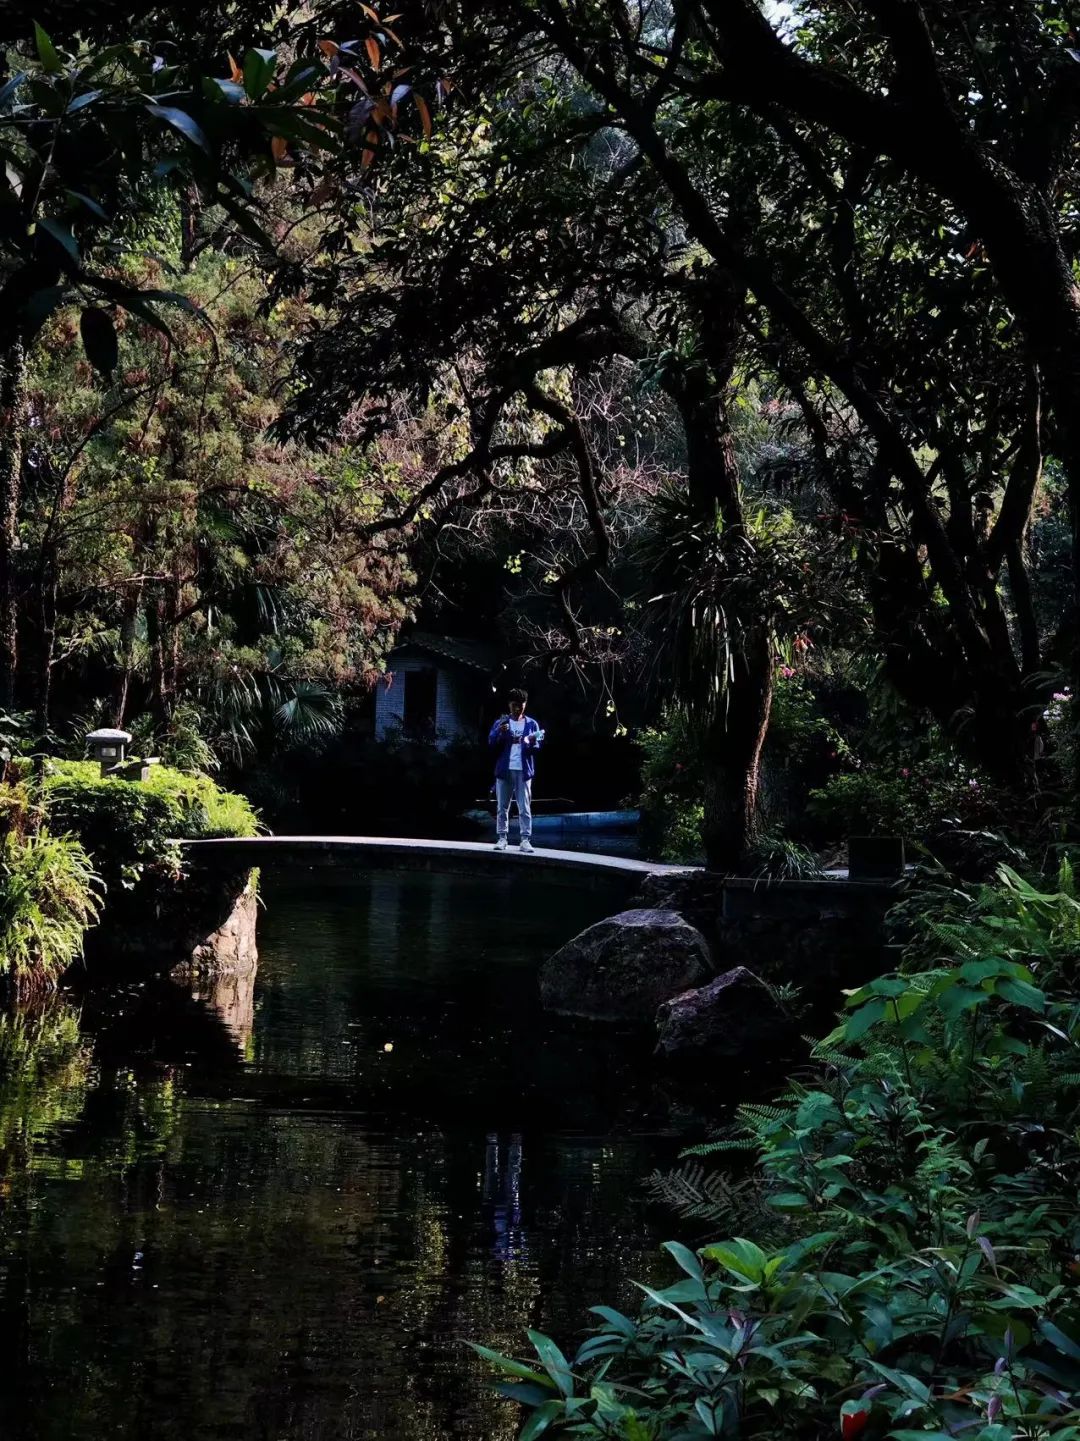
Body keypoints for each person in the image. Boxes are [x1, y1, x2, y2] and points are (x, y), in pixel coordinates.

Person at [488, 688, 544, 853]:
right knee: (502, 807)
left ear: (525, 705)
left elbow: (537, 746)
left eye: (520, 705)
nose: (517, 708)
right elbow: (491, 744)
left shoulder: (532, 724)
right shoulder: (501, 723)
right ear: (509, 705)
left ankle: (525, 840)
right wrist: (500, 733)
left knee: (524, 807)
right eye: (514, 705)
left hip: (523, 770)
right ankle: (502, 838)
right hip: (504, 769)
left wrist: (529, 741)